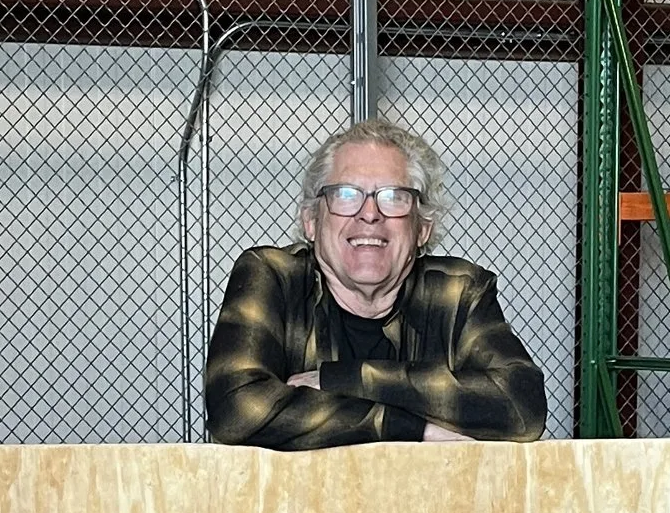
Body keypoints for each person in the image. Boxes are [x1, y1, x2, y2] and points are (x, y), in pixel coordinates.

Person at [204, 122, 547, 447]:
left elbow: (521, 406)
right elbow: (237, 408)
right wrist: (411, 428)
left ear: (422, 229)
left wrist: (349, 378)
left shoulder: (458, 293)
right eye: (346, 195)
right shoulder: (273, 276)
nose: (370, 214)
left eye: (394, 197)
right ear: (311, 221)